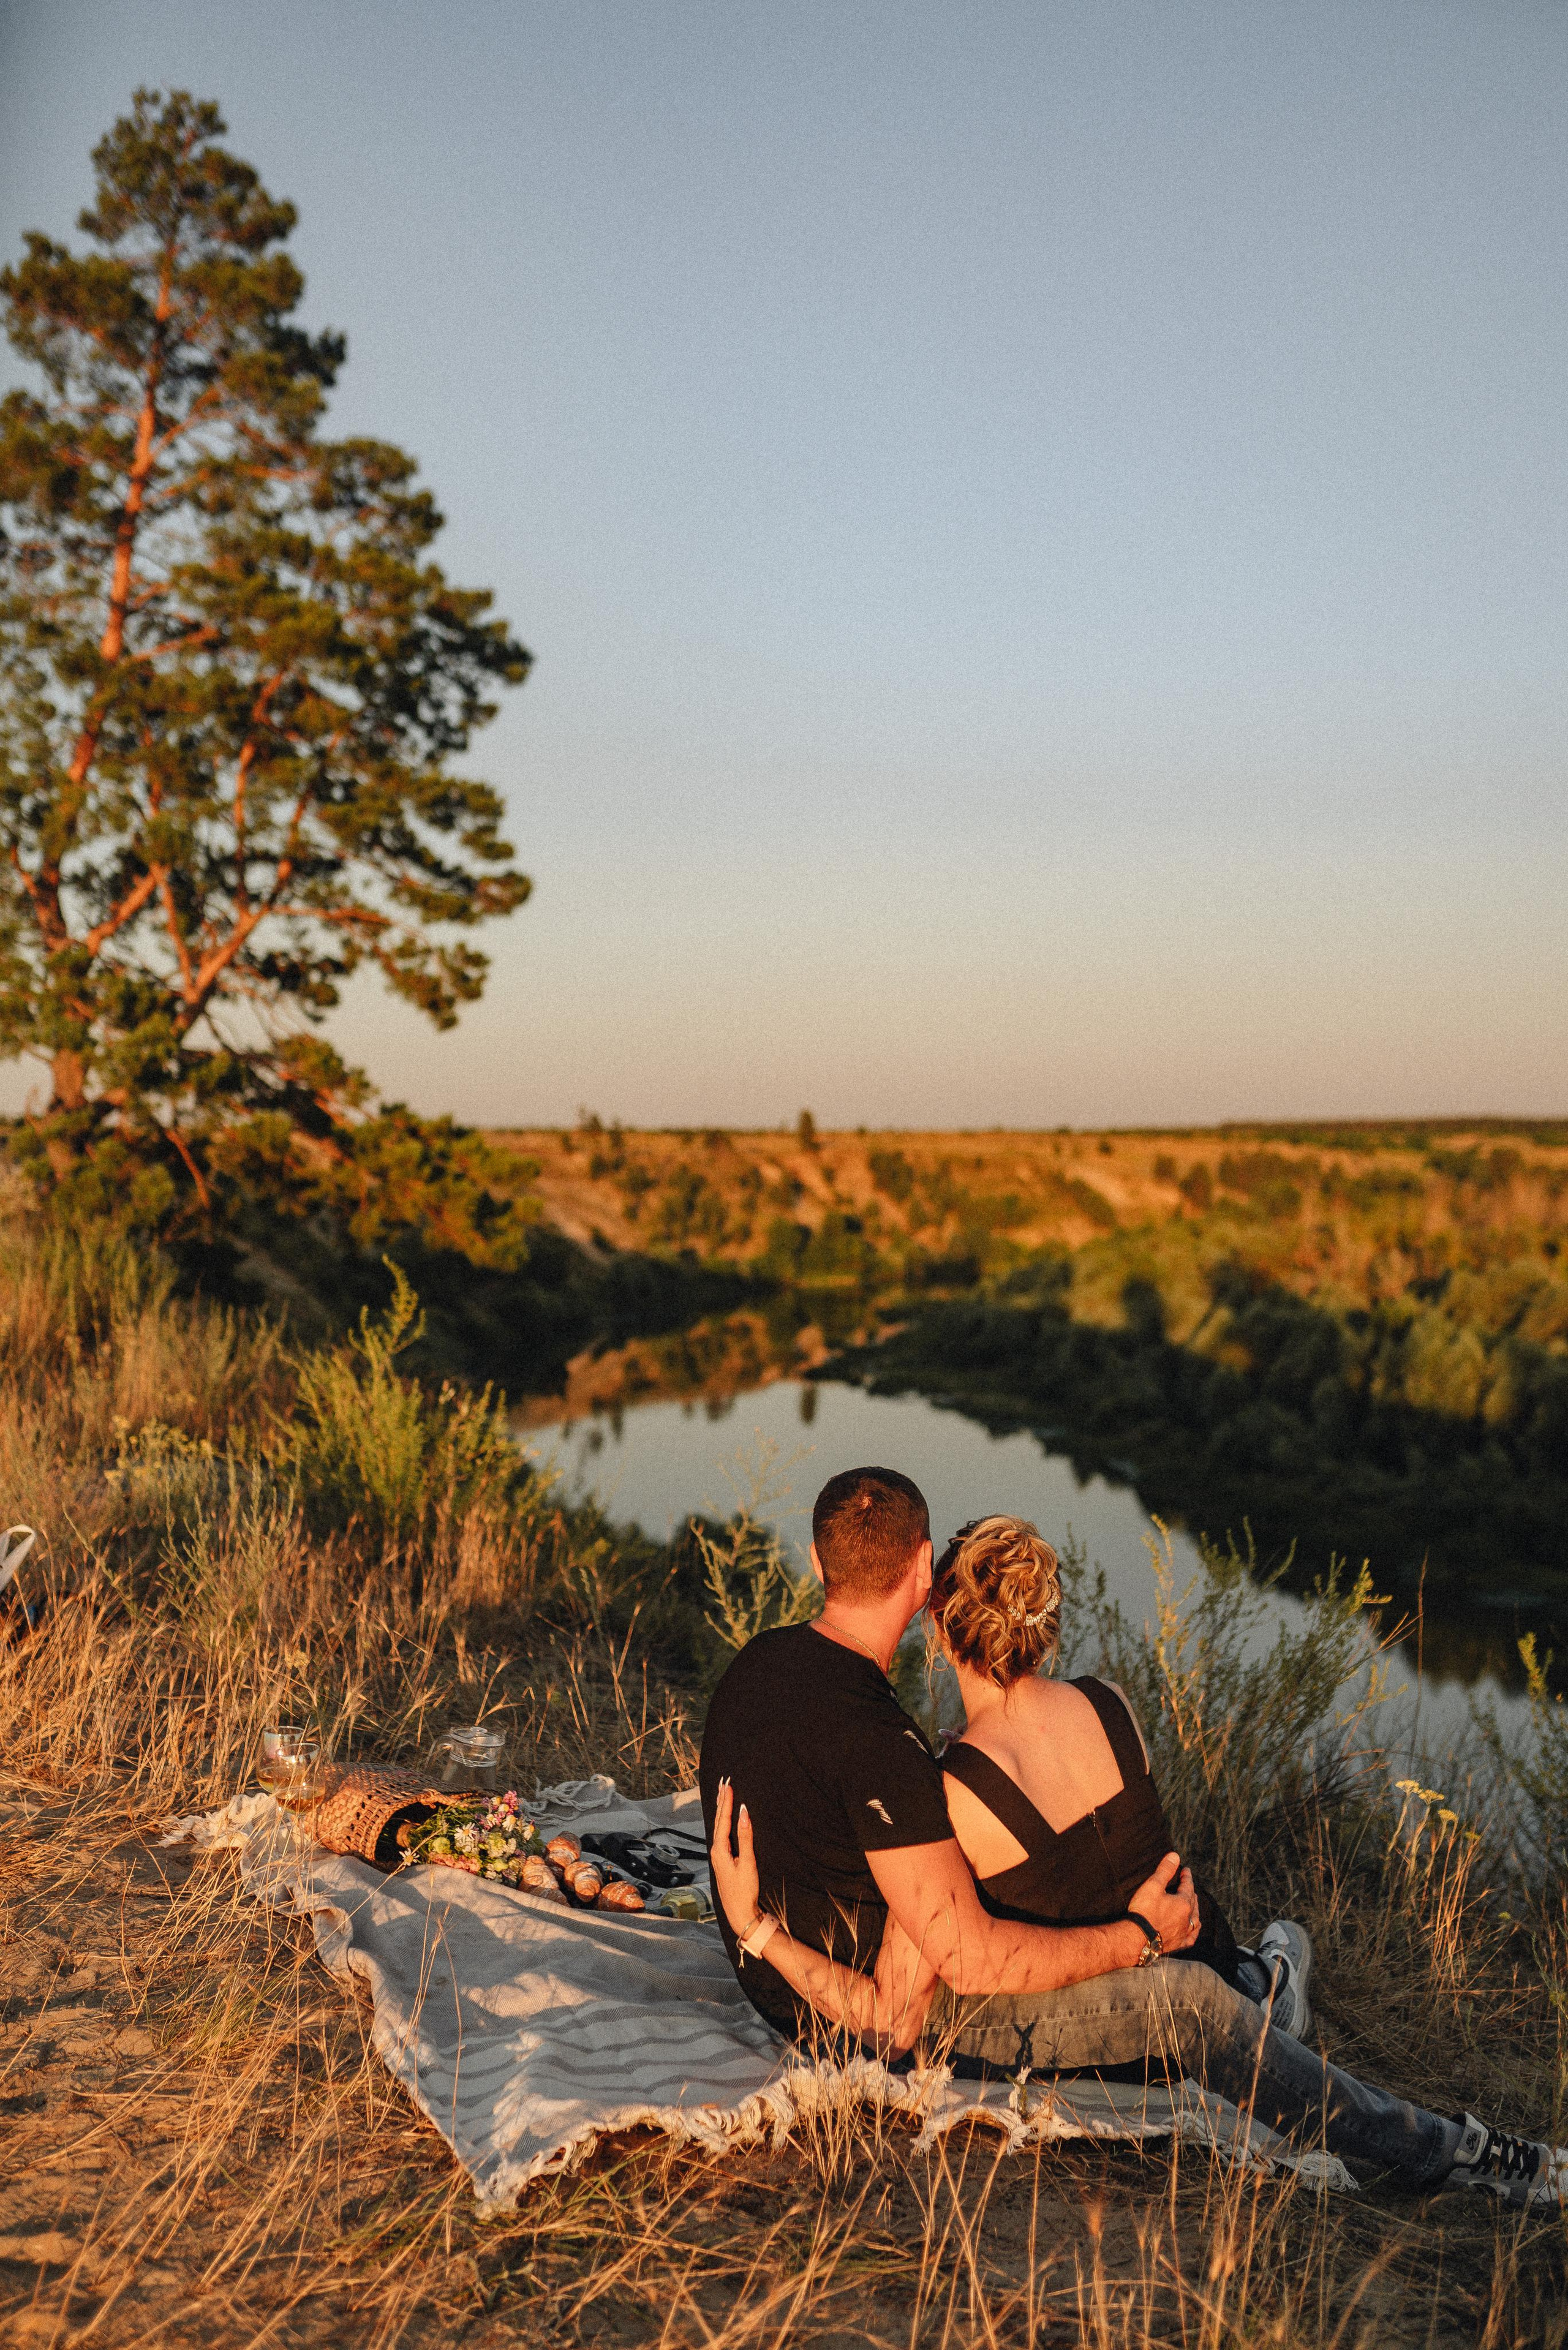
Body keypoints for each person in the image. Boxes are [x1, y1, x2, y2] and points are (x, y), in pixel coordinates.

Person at [701, 1468, 1568, 2207]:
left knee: (1210, 1983)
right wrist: (1143, 1936)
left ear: (816, 1560)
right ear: (921, 1572)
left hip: (796, 1989)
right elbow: (921, 1996)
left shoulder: (760, 1670)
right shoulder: (930, 1753)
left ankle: (1263, 1993)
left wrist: (753, 1927)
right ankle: (1448, 2148)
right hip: (890, 2004)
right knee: (1198, 1995)